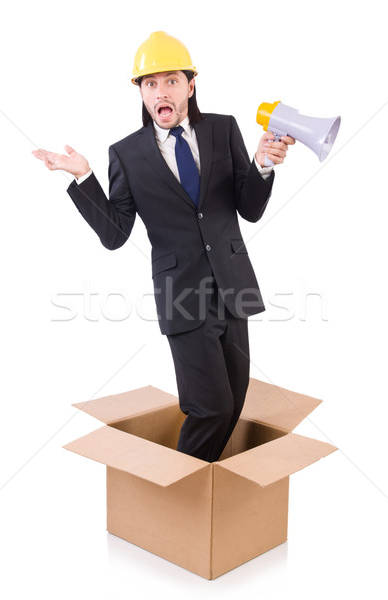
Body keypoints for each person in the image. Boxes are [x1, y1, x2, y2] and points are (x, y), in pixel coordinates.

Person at [32, 31, 294, 463]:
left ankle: (202, 488)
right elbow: (115, 234)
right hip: (183, 296)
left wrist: (263, 163)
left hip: (233, 287)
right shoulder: (127, 154)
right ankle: (173, 499)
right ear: (140, 91)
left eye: (170, 80)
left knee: (234, 401)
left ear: (190, 85)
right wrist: (82, 177)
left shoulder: (223, 129)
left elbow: (248, 209)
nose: (160, 92)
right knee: (211, 408)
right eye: (149, 84)